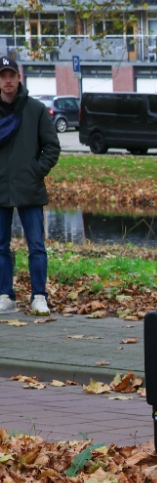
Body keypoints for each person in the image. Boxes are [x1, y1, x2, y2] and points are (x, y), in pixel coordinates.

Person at [0, 53, 60, 316]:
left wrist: (36, 171)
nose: (8, 81)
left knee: (36, 245)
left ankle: (39, 296)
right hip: (1, 188)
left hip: (30, 188)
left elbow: (51, 146)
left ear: (18, 78)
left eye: (11, 75)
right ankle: (6, 295)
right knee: (0, 246)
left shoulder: (34, 110)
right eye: (3, 76)